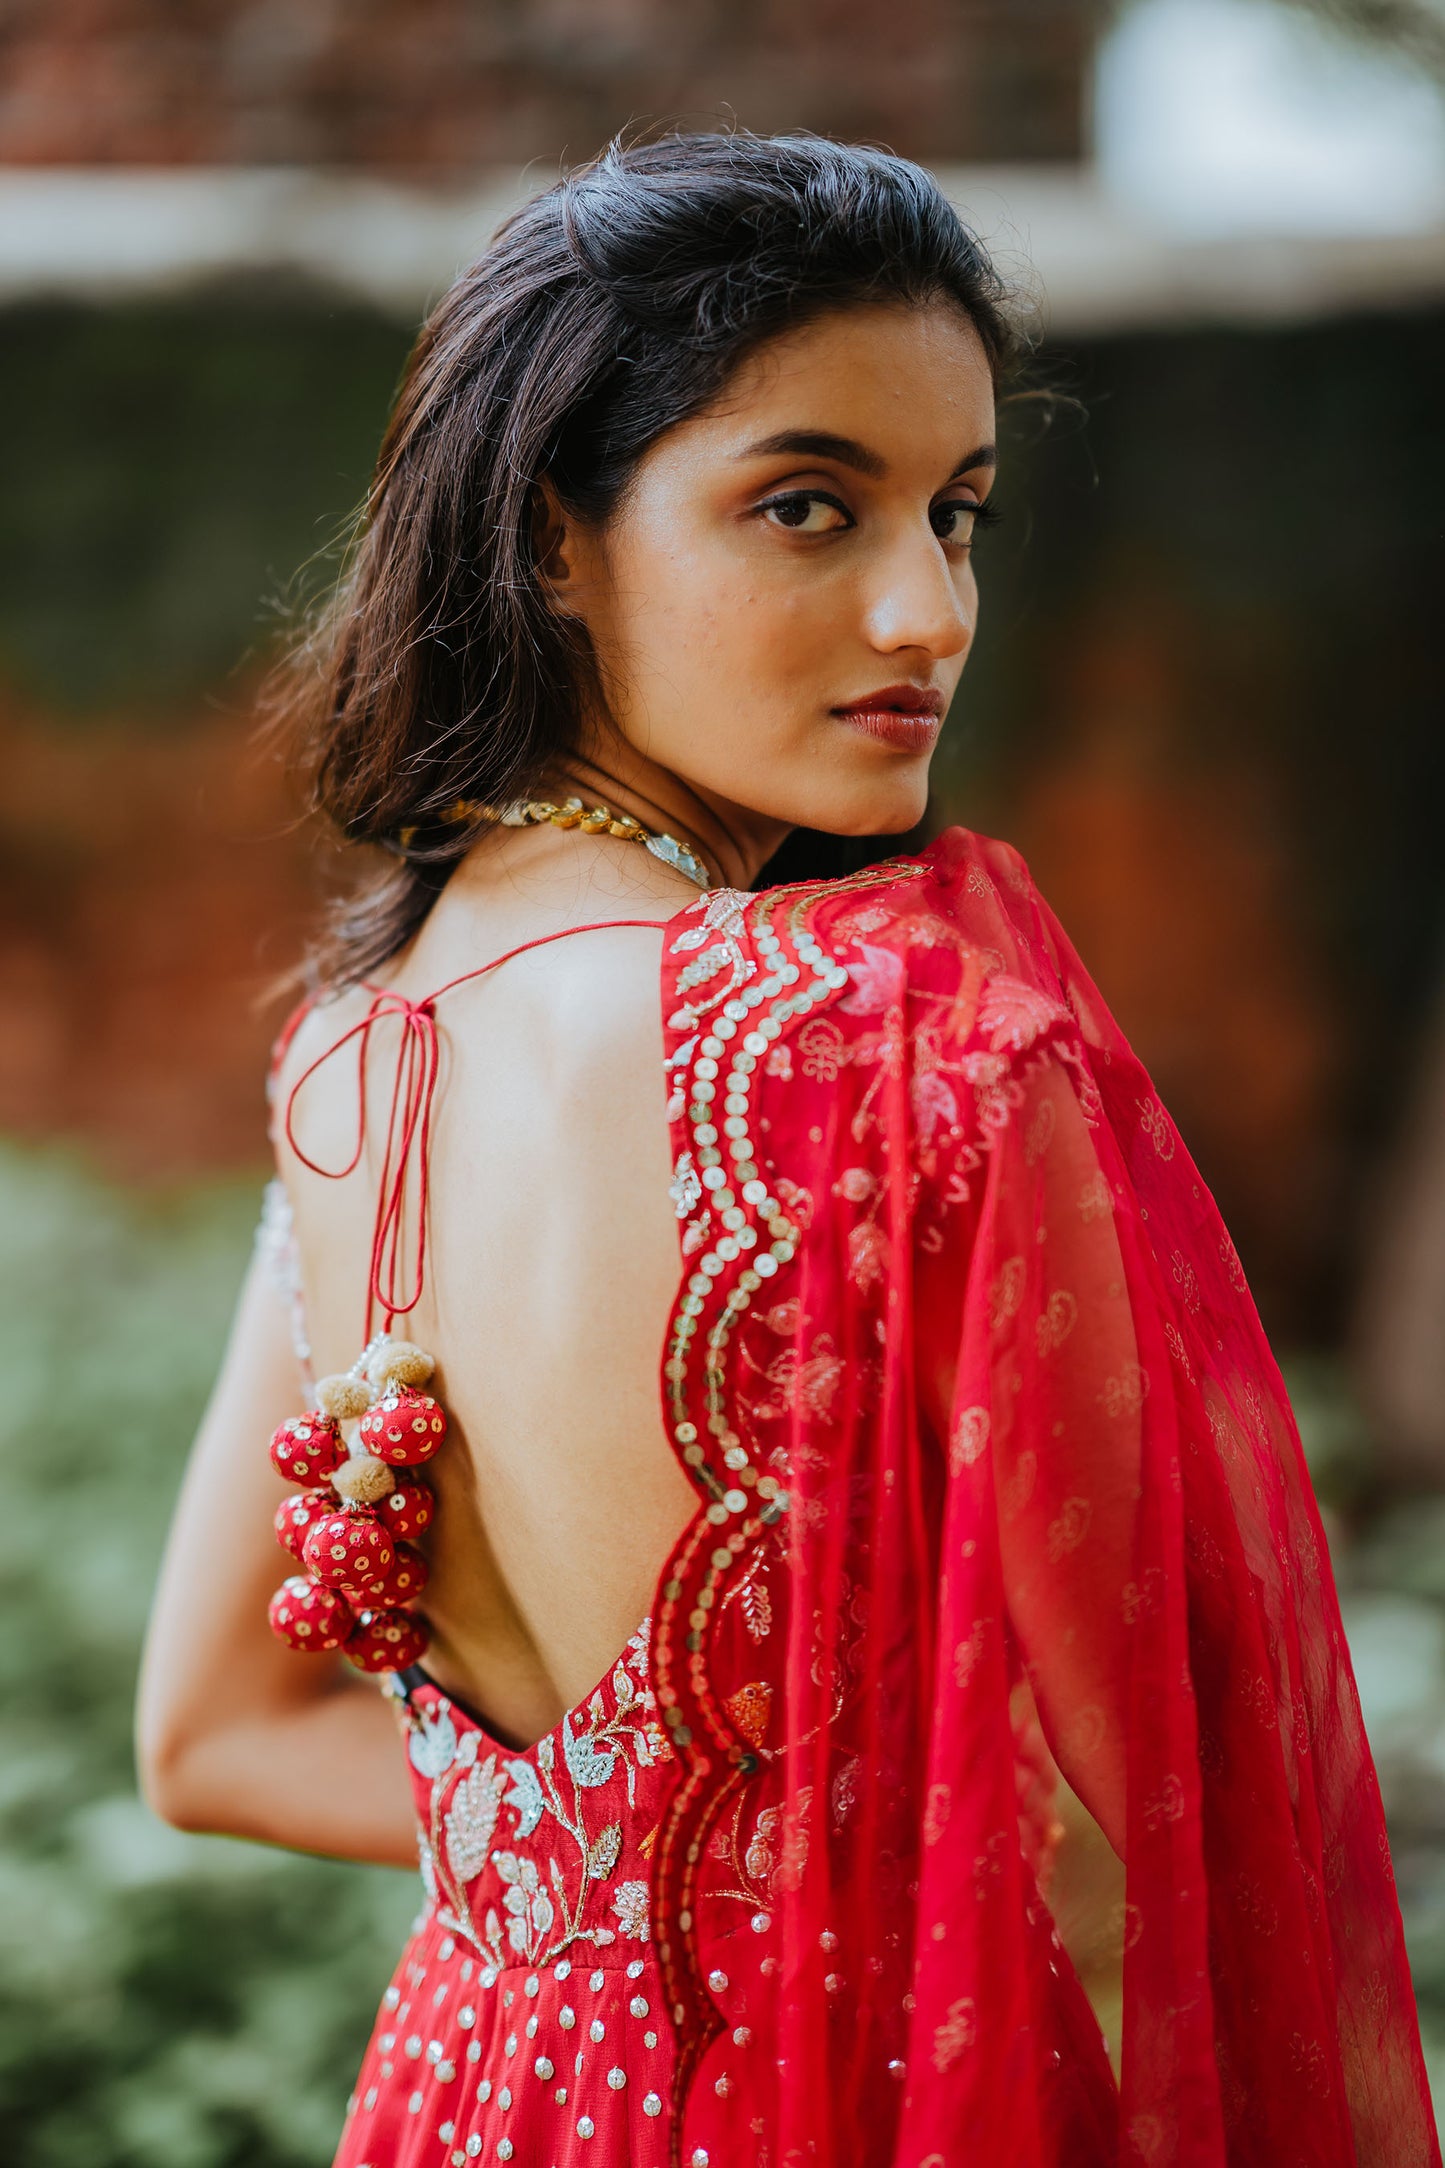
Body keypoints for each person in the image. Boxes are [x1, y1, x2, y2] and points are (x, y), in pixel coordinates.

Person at [135, 132, 1439, 2168]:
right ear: (547, 531)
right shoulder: (905, 1041)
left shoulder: (348, 1066)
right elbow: (1151, 1846)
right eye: (807, 505)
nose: (927, 607)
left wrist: (618, 1869)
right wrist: (835, 1883)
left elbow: (210, 1739)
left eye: (960, 511)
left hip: (485, 2105)